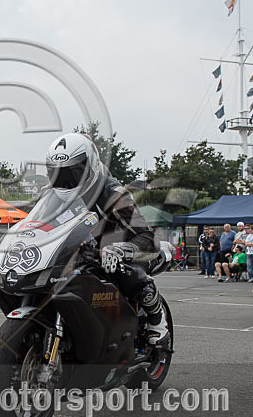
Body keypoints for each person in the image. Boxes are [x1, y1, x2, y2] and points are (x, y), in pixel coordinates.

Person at [45, 133, 169, 346]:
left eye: (71, 174)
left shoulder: (112, 193)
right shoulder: (52, 194)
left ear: (89, 167)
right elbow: (41, 225)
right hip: (84, 249)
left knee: (129, 274)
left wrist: (122, 249)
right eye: (57, 174)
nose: (64, 182)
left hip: (124, 248)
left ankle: (158, 320)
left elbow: (147, 237)